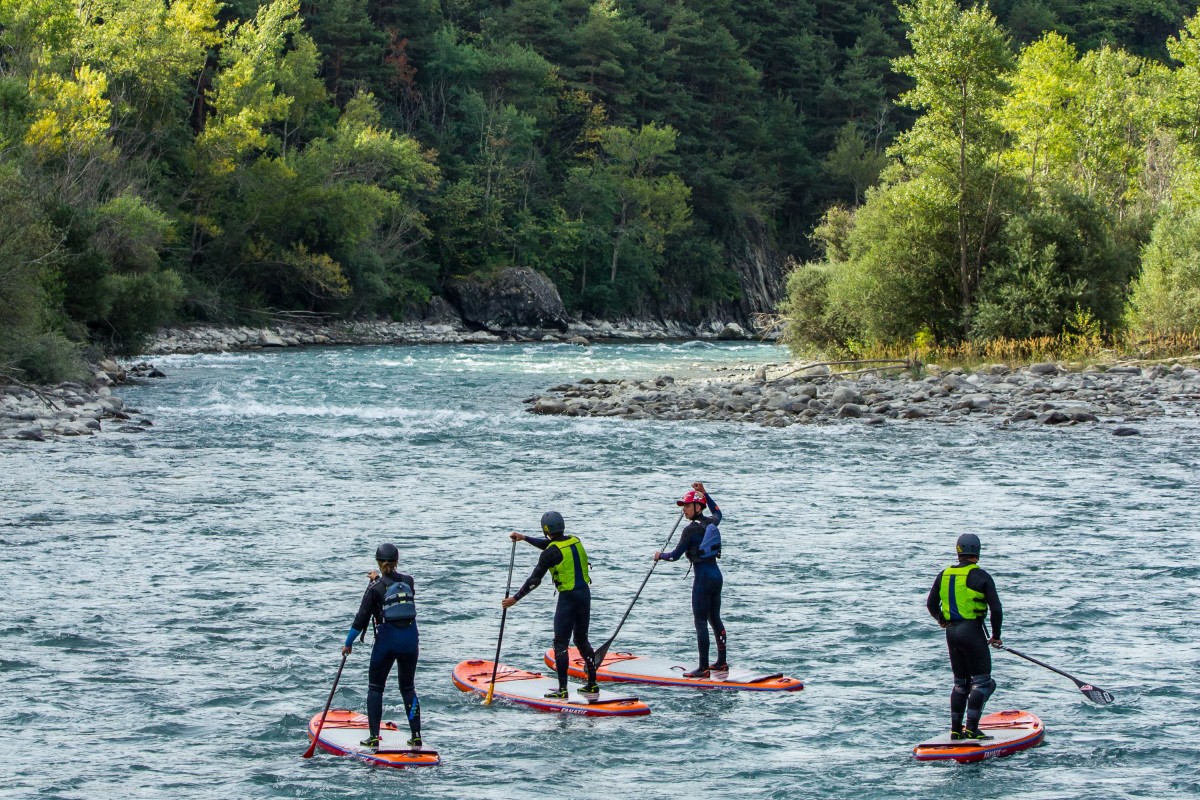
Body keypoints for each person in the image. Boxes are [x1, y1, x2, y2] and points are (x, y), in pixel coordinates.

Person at [502, 511, 600, 699]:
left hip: (568, 599)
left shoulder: (550, 553)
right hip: (584, 595)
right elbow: (549, 545)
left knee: (560, 643)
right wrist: (524, 538)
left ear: (545, 529)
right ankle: (592, 684)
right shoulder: (574, 541)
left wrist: (515, 599)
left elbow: (534, 580)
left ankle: (562, 690)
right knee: (581, 640)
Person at [342, 543, 422, 749]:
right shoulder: (409, 581)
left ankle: (374, 737)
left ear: (378, 562)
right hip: (410, 641)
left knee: (376, 688)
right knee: (408, 688)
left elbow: (360, 620)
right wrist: (378, 579)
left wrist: (348, 643)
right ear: (397, 561)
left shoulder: (374, 588)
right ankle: (416, 736)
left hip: (387, 643)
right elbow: (393, 583)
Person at [925, 533, 1003, 740]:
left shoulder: (944, 574)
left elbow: (931, 605)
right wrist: (996, 636)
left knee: (960, 684)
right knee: (983, 682)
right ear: (977, 552)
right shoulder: (982, 576)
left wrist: (941, 620)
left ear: (958, 551)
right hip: (972, 633)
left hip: (952, 634)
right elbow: (996, 609)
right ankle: (971, 728)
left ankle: (955, 729)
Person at [654, 481, 727, 677]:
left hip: (703, 579)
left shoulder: (690, 530)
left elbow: (675, 555)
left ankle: (703, 668)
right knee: (715, 619)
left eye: (686, 506)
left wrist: (660, 555)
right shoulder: (710, 522)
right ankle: (721, 662)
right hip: (716, 576)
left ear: (697, 507)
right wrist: (706, 493)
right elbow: (719, 513)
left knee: (701, 622)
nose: (683, 510)